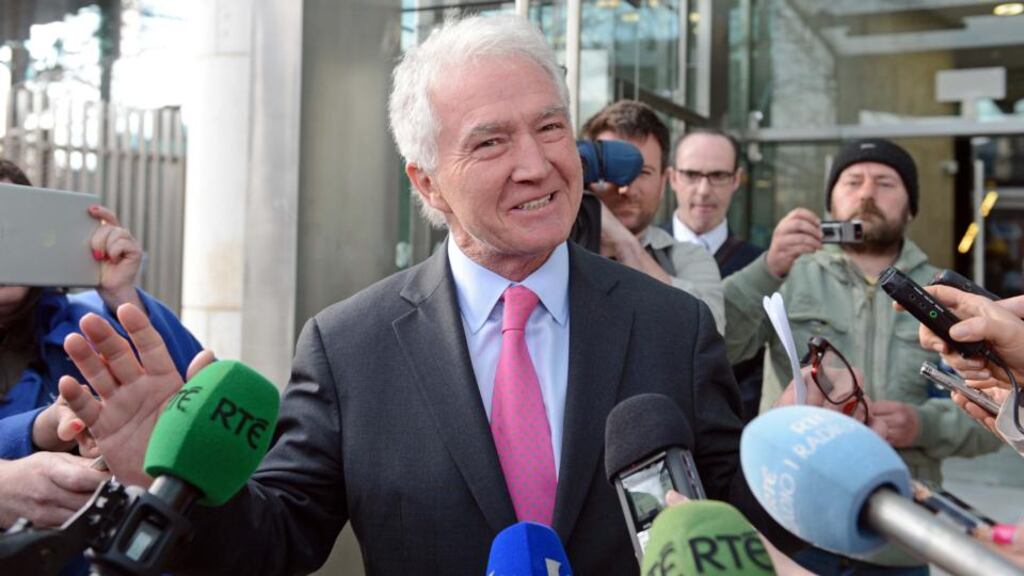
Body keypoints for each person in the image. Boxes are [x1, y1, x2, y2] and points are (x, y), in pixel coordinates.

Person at [56, 15, 804, 575]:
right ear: (427, 181)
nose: (537, 164)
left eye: (550, 127)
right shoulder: (349, 346)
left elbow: (739, 525)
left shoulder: (672, 325)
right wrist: (175, 482)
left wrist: (796, 459)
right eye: (491, 141)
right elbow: (275, 539)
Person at [723, 139, 1002, 574]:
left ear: (911, 208)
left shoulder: (943, 296)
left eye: (885, 182)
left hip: (899, 537)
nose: (867, 192)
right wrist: (767, 267)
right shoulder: (786, 274)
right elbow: (714, 345)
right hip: (793, 527)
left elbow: (995, 415)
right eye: (853, 181)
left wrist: (923, 424)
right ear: (831, 201)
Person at [0, 159, 204, 532]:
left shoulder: (90, 323)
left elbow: (194, 399)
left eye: (12, 223)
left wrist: (121, 292)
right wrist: (34, 432)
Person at [579, 101, 725, 334]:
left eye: (642, 172)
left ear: (663, 181)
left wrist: (625, 244)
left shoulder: (686, 258)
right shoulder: (552, 250)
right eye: (610, 171)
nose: (626, 189)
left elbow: (710, 333)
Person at [668, 129, 765, 420]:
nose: (703, 190)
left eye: (718, 176)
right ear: (672, 178)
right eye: (691, 175)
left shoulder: (761, 267)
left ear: (736, 180)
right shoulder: (637, 252)